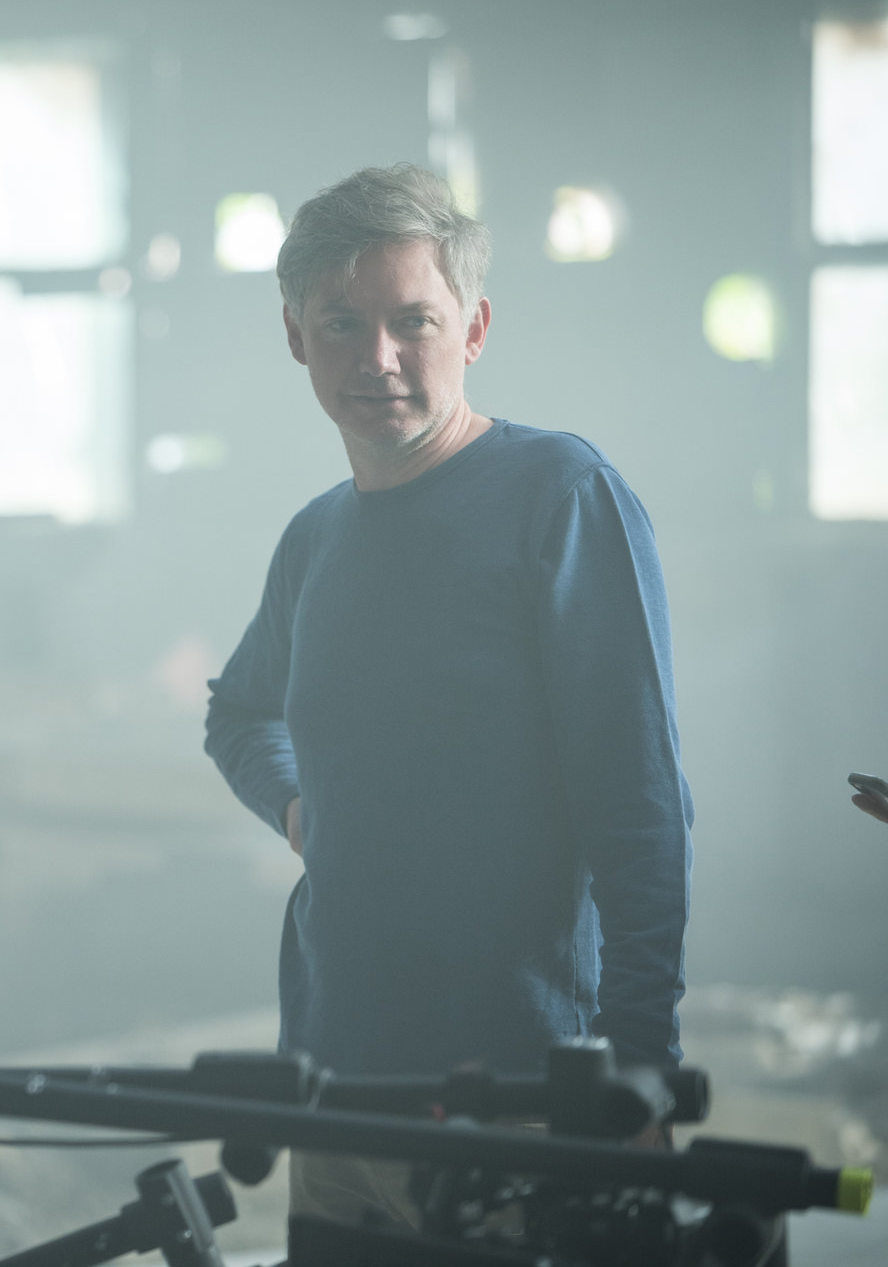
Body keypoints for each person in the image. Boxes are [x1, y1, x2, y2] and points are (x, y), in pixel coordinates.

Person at [203, 164, 694, 1228]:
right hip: (334, 1090)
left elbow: (641, 811)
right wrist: (298, 807)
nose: (375, 357)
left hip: (518, 1091)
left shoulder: (560, 496)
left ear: (472, 329)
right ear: (295, 337)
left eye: (411, 321)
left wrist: (638, 1071)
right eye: (340, 323)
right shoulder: (316, 539)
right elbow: (238, 711)